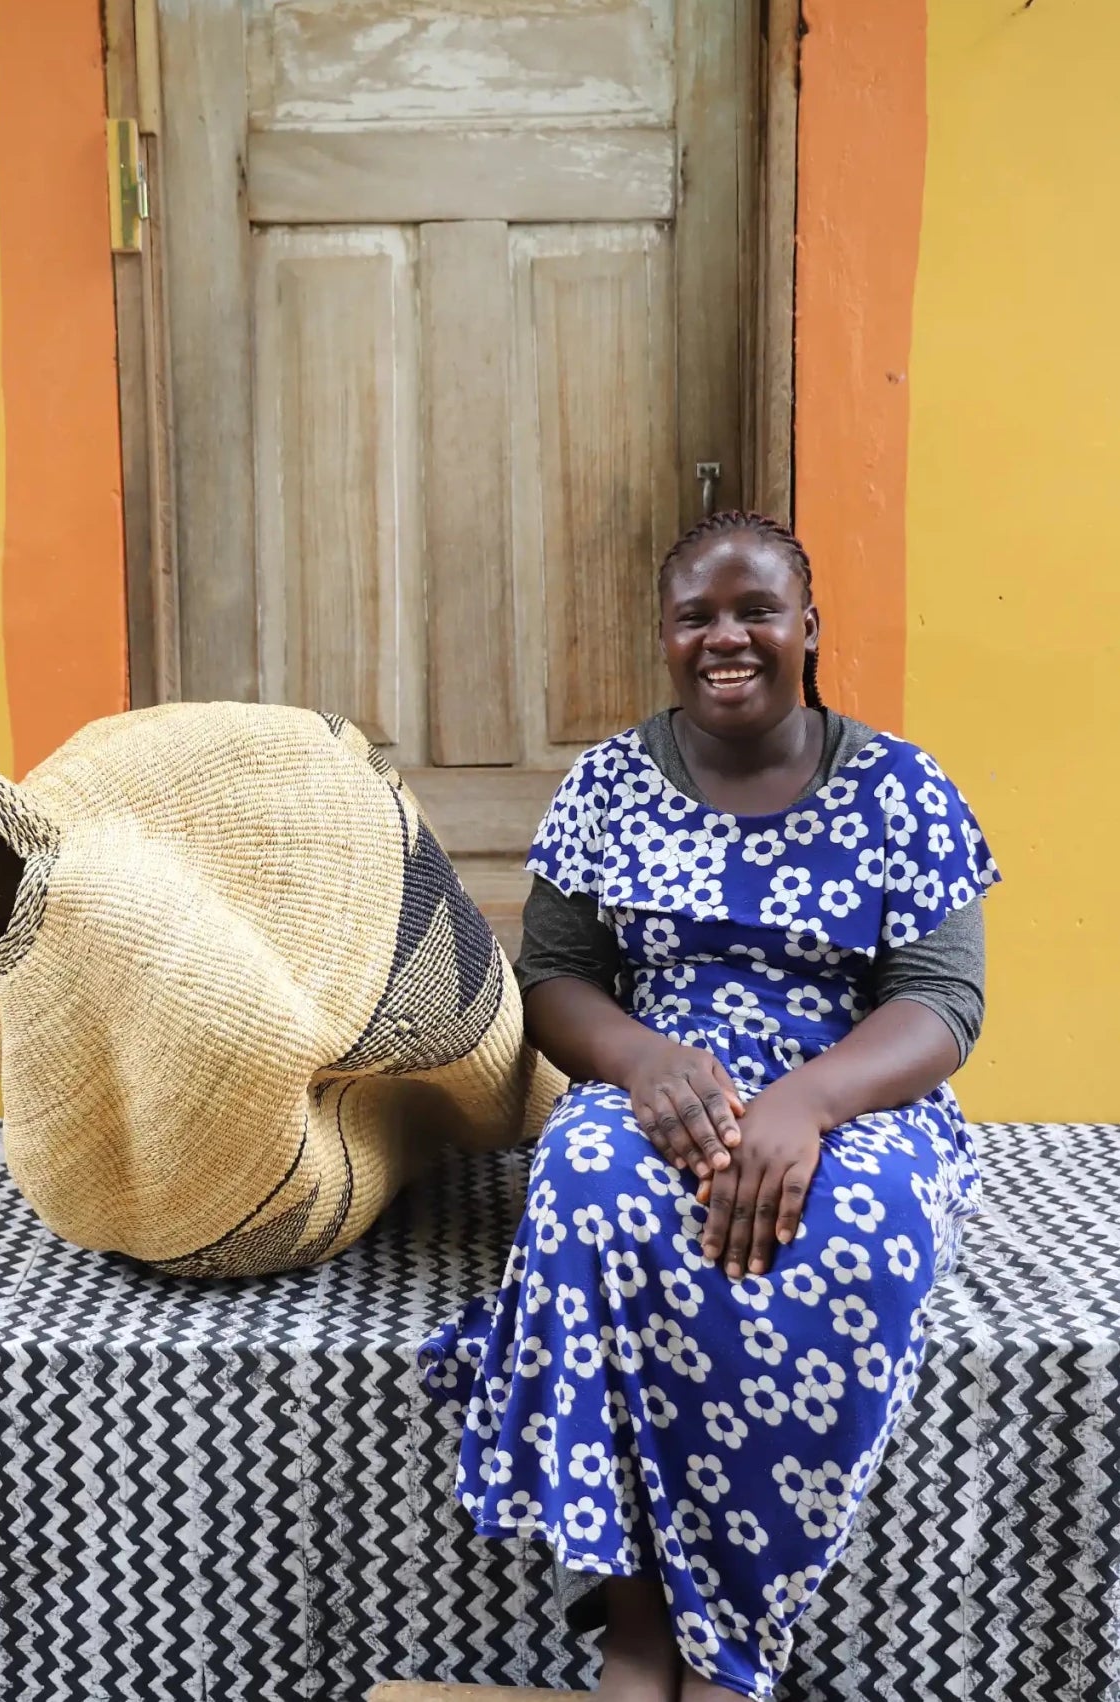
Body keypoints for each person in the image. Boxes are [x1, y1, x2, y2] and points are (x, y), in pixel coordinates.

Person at [418, 511, 999, 1702]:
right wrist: (637, 1059)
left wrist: (809, 1102)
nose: (726, 637)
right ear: (666, 636)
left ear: (808, 629)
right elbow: (553, 977)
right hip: (663, 1085)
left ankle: (731, 1639)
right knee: (587, 1182)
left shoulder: (902, 786)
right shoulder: (607, 784)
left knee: (860, 1231)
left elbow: (944, 999)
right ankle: (638, 1622)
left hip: (857, 1090)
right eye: (697, 616)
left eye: (756, 611)